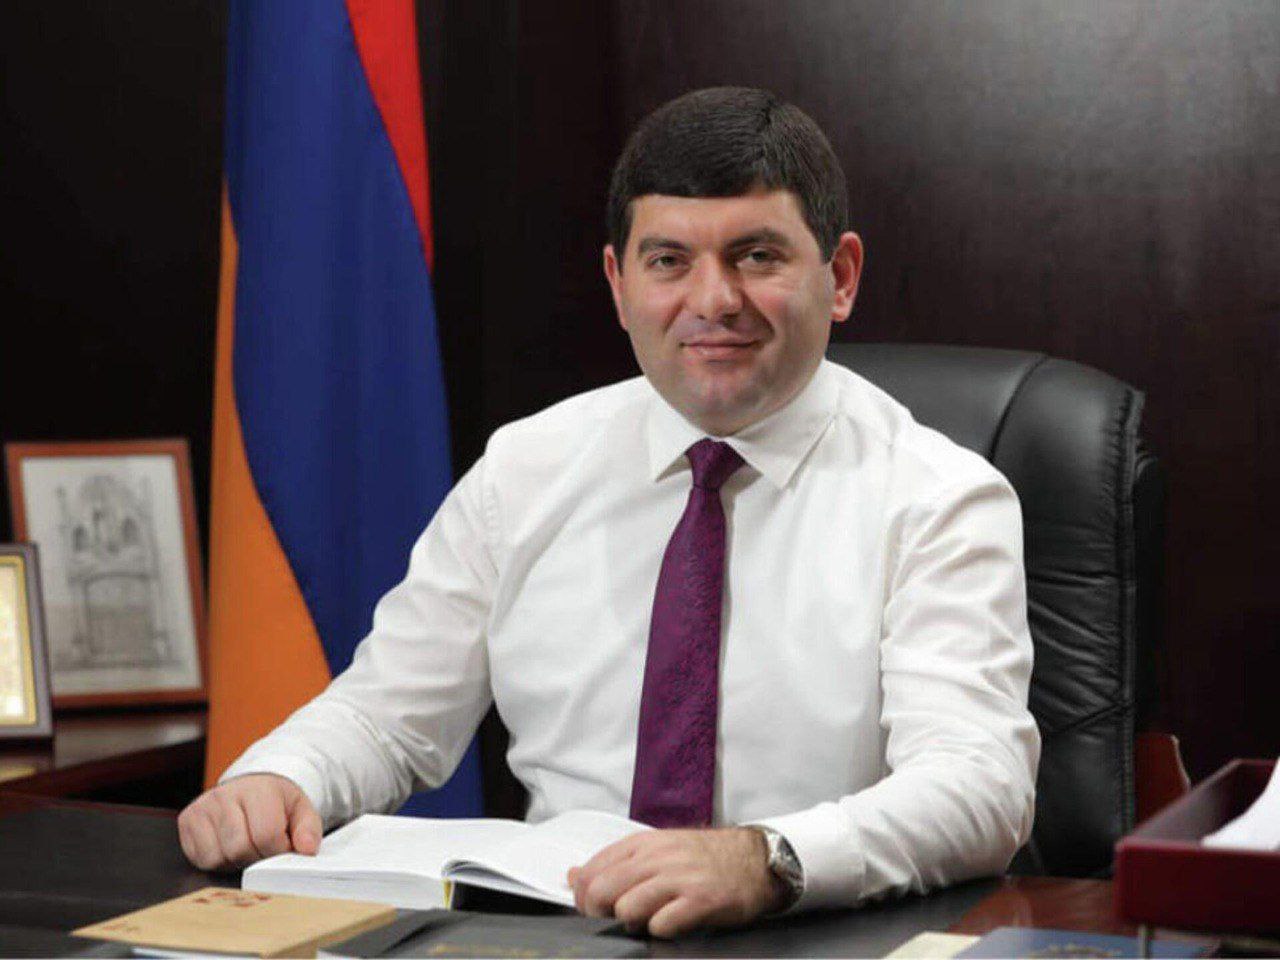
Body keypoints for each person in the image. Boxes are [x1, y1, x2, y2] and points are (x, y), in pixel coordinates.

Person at [178, 87, 1040, 938]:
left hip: (813, 932)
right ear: (619, 285)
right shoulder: (526, 469)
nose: (713, 300)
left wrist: (768, 859)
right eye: (668, 261)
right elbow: (384, 716)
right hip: (557, 934)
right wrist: (280, 777)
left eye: (756, 256)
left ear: (840, 277)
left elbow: (978, 784)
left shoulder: (937, 497)